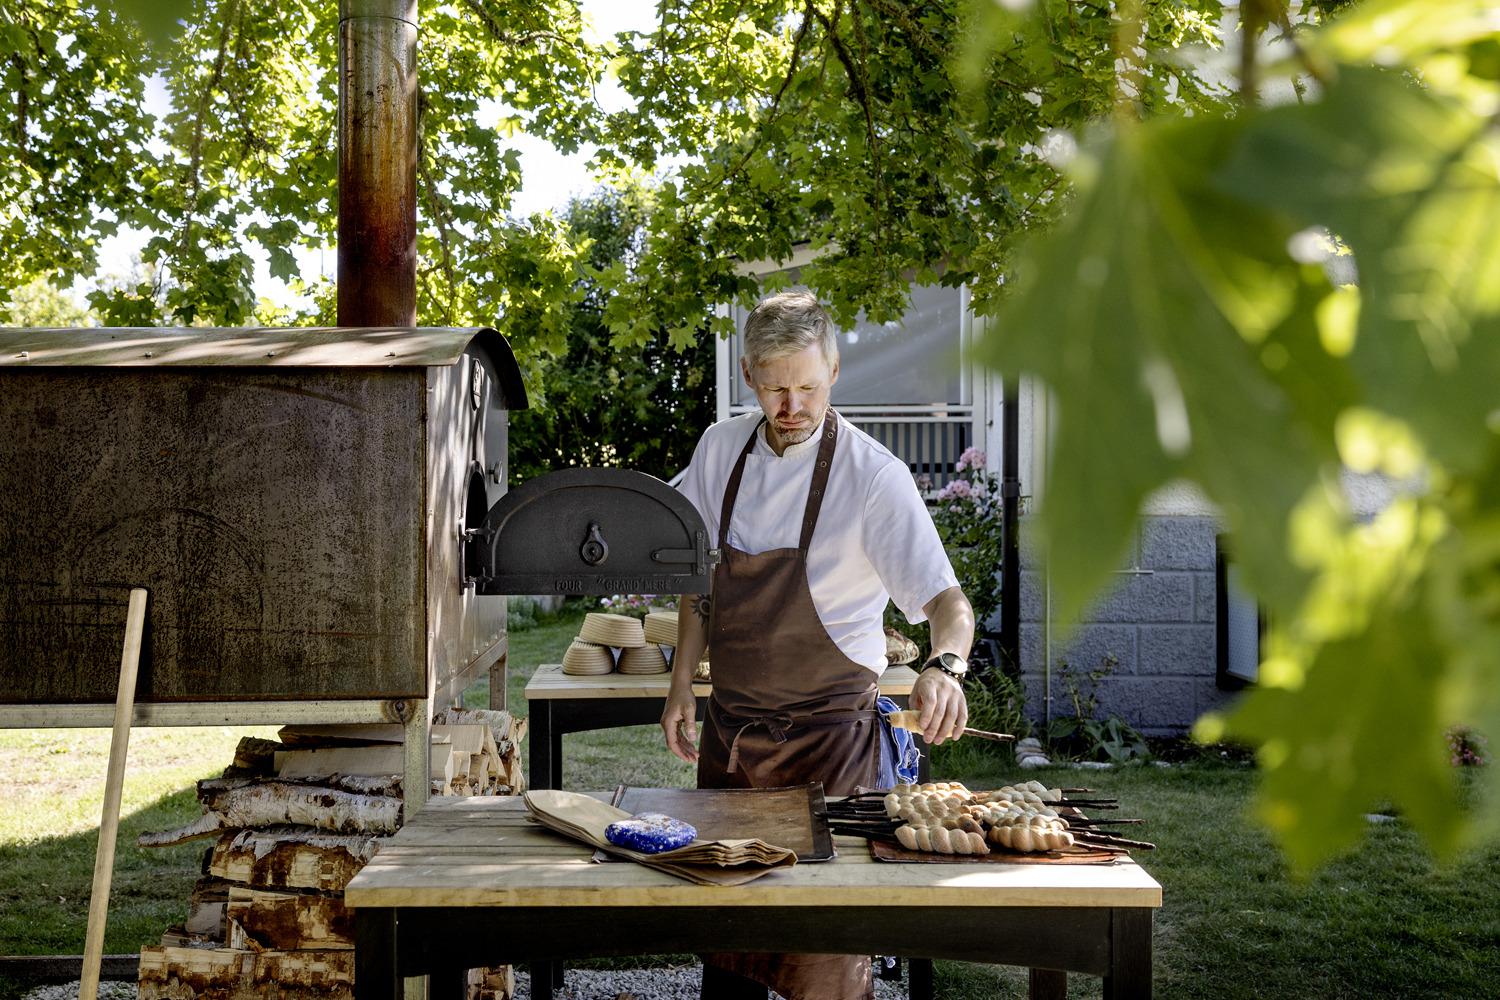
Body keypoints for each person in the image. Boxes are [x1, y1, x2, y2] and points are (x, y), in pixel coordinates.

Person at [661, 290, 976, 1000]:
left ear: (834, 370)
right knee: (730, 951)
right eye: (776, 388)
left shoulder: (873, 478)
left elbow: (947, 603)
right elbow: (698, 584)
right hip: (733, 747)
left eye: (807, 386)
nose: (792, 405)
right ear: (748, 377)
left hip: (832, 755)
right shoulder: (719, 450)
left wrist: (946, 666)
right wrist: (682, 682)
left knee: (824, 958)